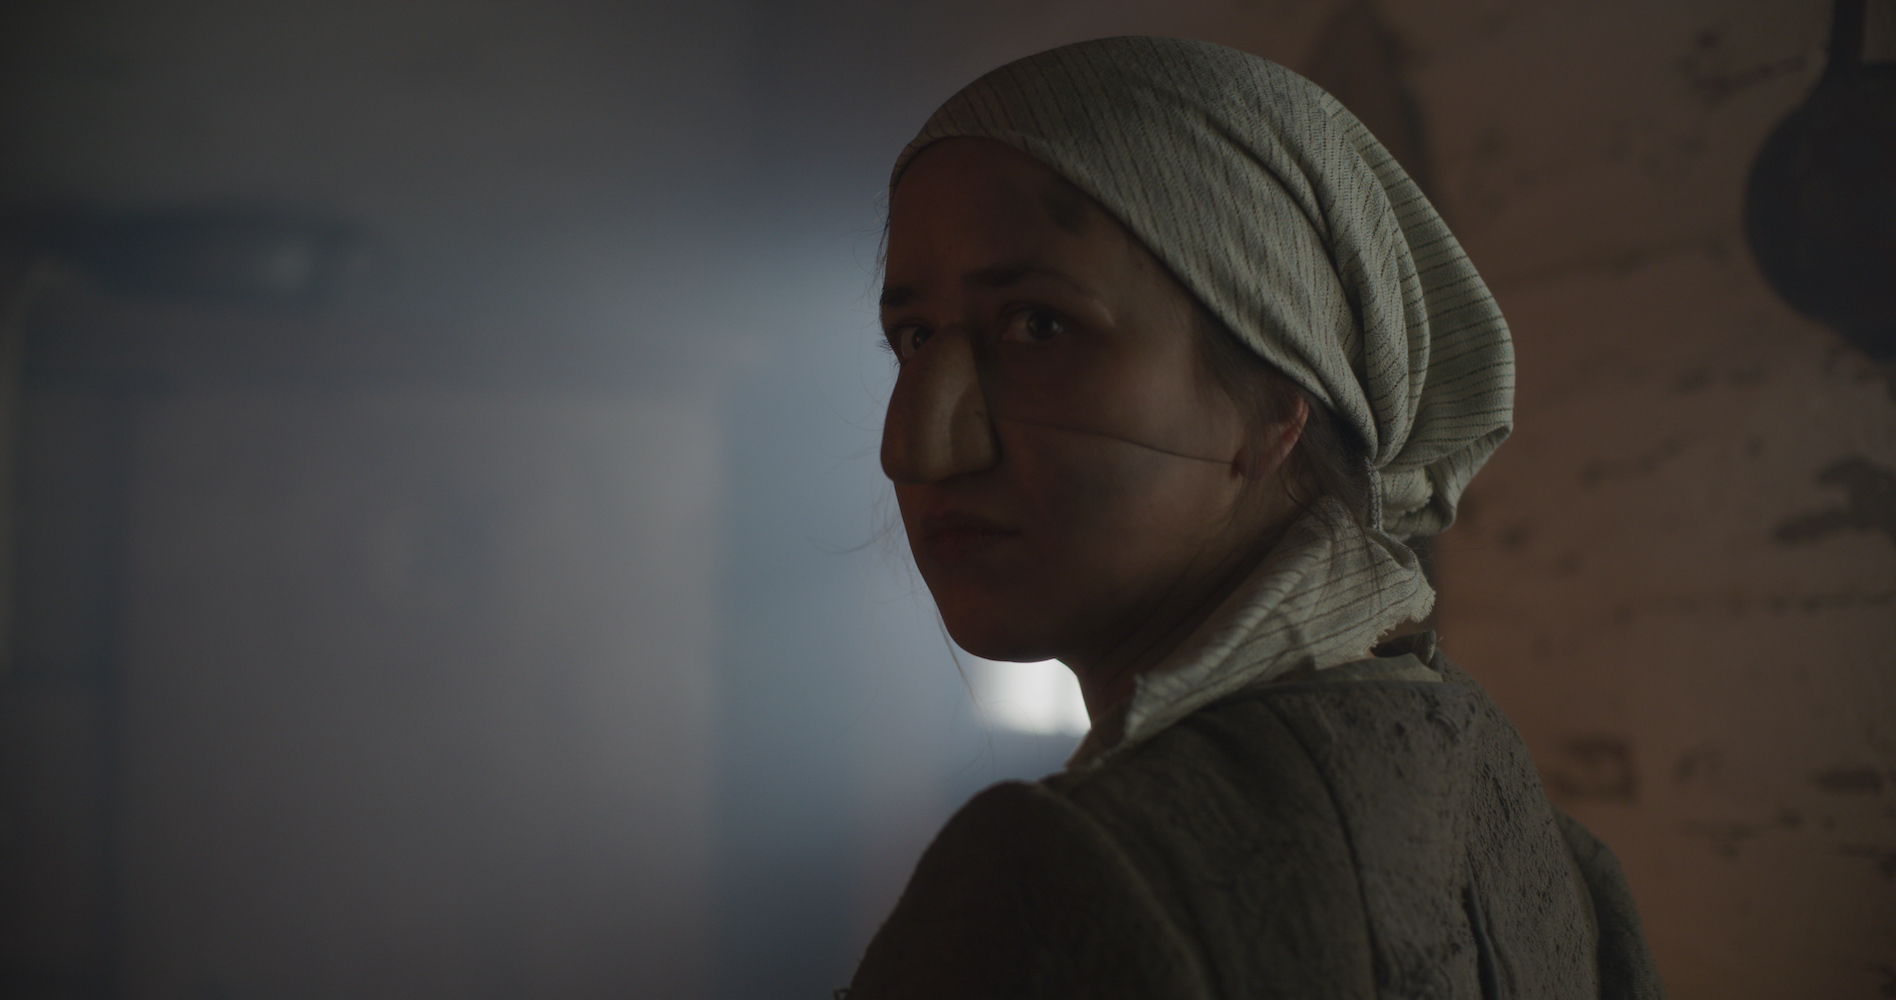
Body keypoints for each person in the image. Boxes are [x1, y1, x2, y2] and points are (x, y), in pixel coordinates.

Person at [848, 36, 1662, 1000]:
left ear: (1279, 399)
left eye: (1039, 325)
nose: (916, 445)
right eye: (912, 337)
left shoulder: (1058, 882)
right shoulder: (1544, 845)